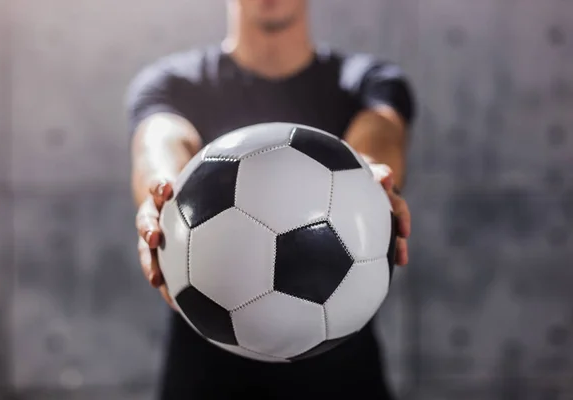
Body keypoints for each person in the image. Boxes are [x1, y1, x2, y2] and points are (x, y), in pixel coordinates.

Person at [127, 0, 415, 398]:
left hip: (341, 379)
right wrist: (162, 189)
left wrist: (369, 171)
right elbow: (159, 141)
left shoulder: (366, 80)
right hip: (205, 378)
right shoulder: (173, 82)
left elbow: (379, 135)